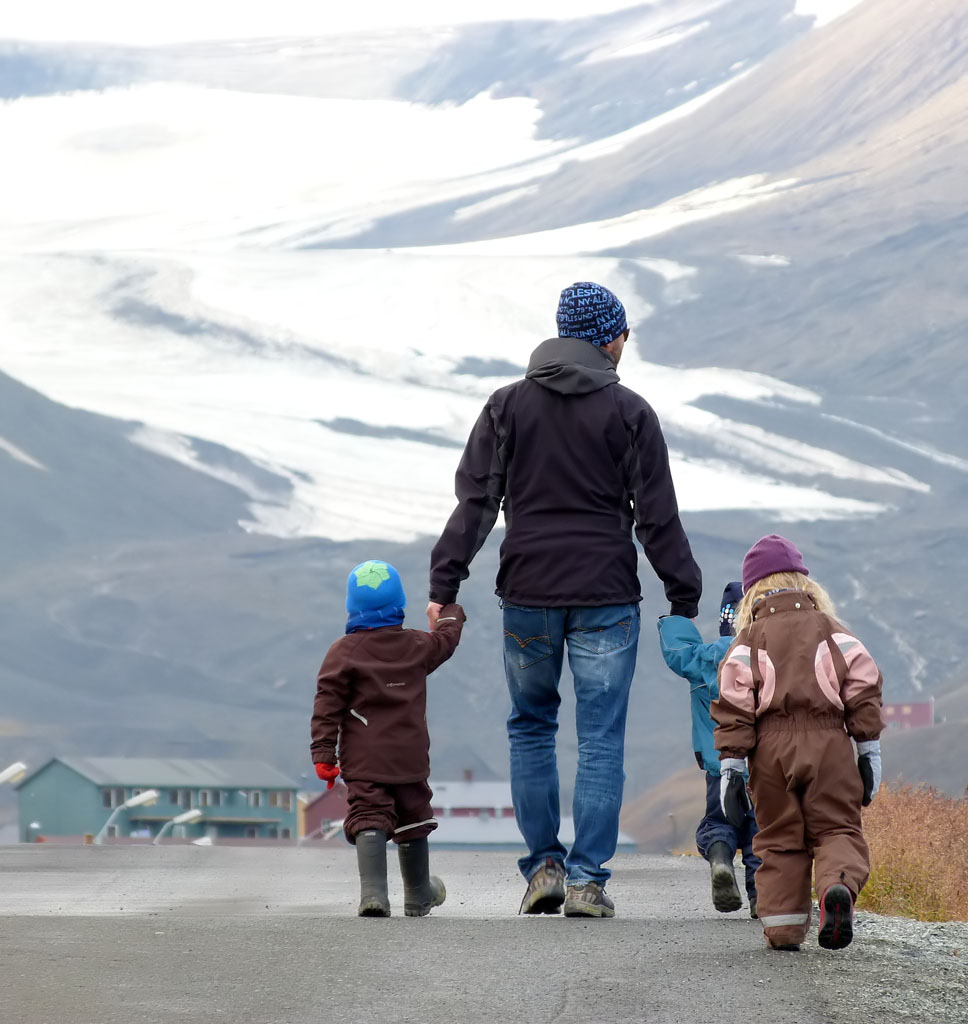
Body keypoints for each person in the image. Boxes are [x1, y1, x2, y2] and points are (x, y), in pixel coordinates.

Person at [428, 281, 702, 918]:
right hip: (606, 595)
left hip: (527, 592)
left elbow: (476, 505)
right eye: (625, 336)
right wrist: (682, 596)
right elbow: (658, 518)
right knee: (601, 739)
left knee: (531, 729)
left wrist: (445, 586)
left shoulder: (506, 407)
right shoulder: (630, 412)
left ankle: (544, 868)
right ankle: (586, 882)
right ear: (610, 338)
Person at [711, 535, 884, 952]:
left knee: (778, 838)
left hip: (770, 753)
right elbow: (863, 684)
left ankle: (785, 927)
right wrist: (868, 748)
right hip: (830, 746)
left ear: (752, 590)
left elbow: (733, 701)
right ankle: (833, 891)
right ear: (805, 584)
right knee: (837, 828)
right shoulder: (832, 631)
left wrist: (732, 766)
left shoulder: (748, 640)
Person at [311, 559, 465, 917]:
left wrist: (323, 753)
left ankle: (374, 896)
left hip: (363, 760)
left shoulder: (342, 653)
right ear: (399, 604)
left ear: (353, 607)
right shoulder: (415, 645)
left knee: (368, 815)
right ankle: (418, 894)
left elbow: (326, 704)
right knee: (413, 817)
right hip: (409, 757)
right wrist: (450, 611)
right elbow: (446, 639)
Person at [657, 581, 760, 918]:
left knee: (719, 823)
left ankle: (719, 859)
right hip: (763, 770)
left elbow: (677, 650)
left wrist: (678, 614)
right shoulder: (768, 658)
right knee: (764, 833)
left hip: (718, 768)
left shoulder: (704, 658)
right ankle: (765, 898)